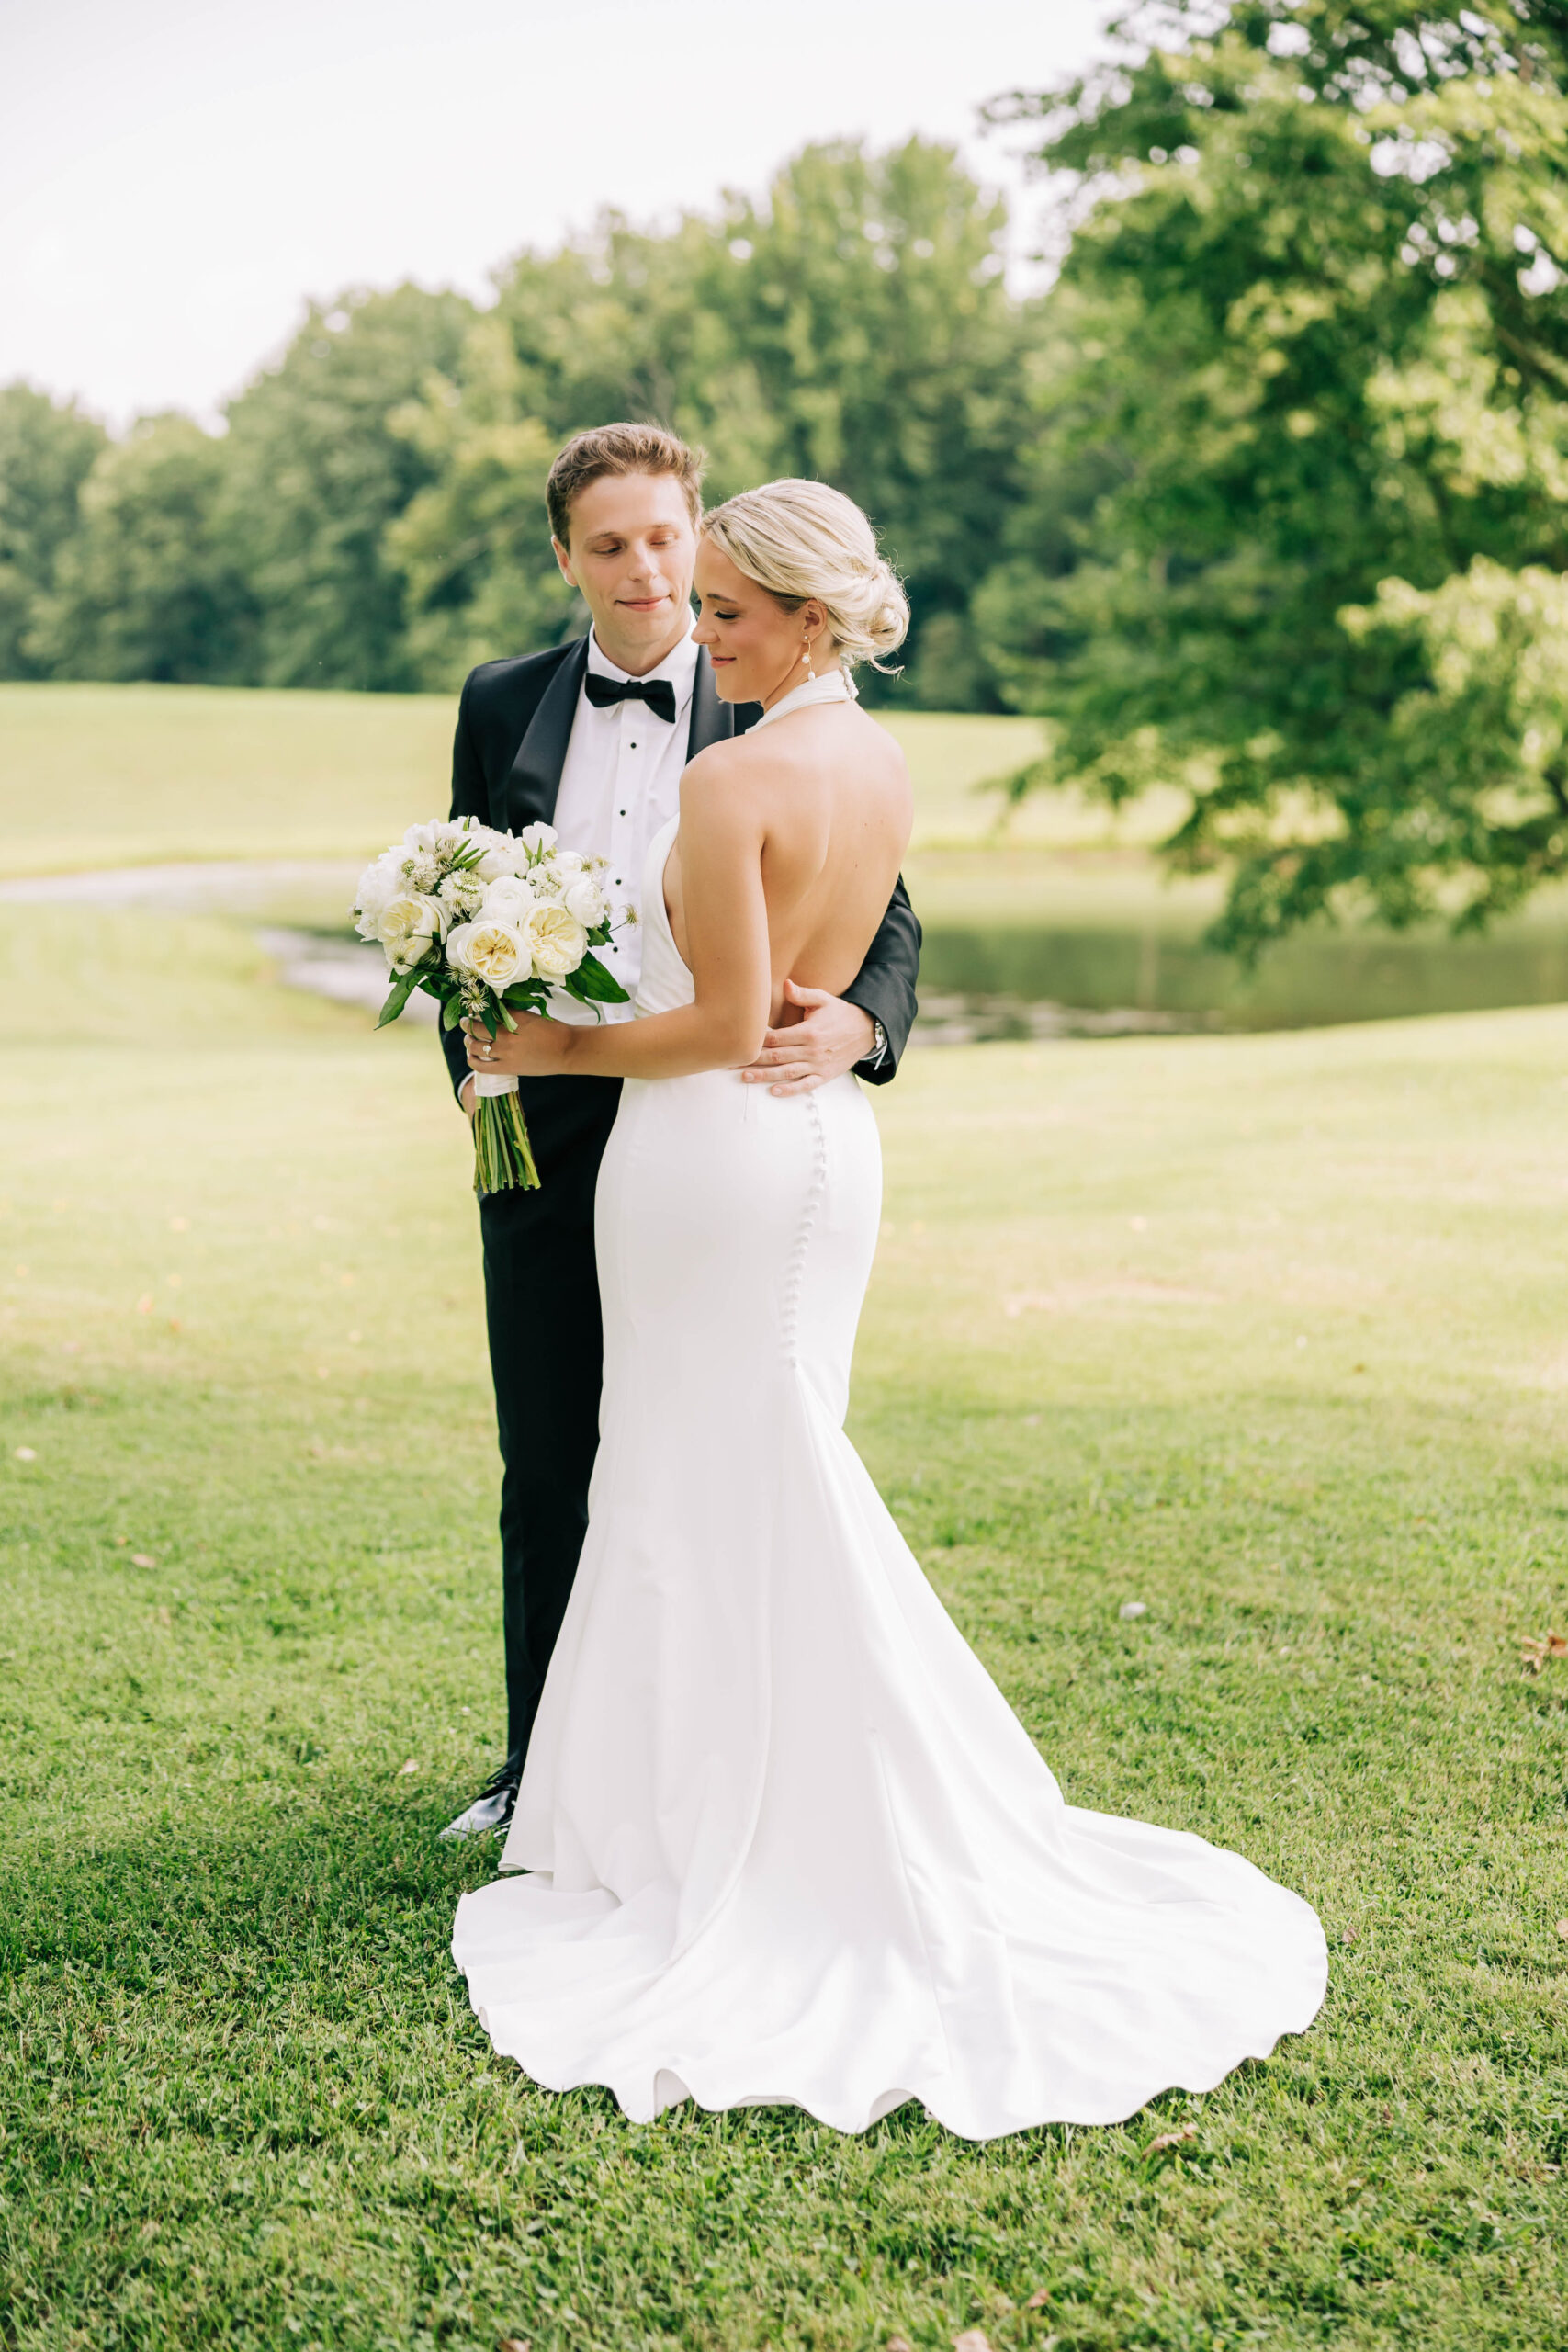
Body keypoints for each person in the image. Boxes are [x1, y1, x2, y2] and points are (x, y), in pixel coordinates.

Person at [449, 478, 1326, 2139]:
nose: (693, 630)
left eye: (720, 610)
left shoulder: (728, 775)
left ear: (798, 617)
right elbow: (794, 977)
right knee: (742, 1464)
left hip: (711, 1156)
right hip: (820, 1166)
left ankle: (744, 1828)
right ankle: (686, 1794)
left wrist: (554, 1046)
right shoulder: (883, 758)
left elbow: (717, 1025)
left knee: (698, 1468)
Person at [437, 425, 920, 1844]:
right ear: (568, 558)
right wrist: (482, 1080)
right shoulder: (502, 700)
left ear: (700, 532)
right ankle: (549, 1766)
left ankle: (722, 1767)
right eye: (611, 545)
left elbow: (881, 913)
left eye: (666, 540)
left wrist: (862, 1024)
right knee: (557, 1456)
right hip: (552, 1131)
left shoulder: (765, 706)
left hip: (714, 1120)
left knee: (705, 1438)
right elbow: (461, 902)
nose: (649, 572)